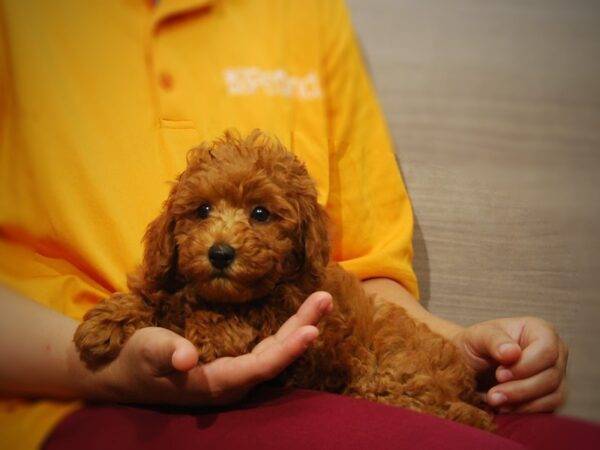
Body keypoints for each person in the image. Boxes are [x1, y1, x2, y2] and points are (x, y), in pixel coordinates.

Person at [0, 1, 595, 449]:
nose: (225, 237)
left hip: (327, 380)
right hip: (59, 396)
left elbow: (361, 275)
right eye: (202, 212)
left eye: (261, 214)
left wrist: (458, 345)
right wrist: (104, 372)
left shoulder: (307, 11)